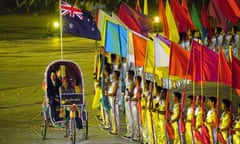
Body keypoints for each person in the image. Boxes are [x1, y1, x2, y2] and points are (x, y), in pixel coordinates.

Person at [107, 70, 121, 135]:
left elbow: (114, 93)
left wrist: (107, 94)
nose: (112, 75)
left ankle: (116, 130)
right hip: (112, 102)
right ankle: (114, 129)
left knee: (115, 116)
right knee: (113, 116)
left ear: (116, 76)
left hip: (114, 102)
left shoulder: (116, 83)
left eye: (113, 74)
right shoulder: (114, 82)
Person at [123, 70, 135, 139]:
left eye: (128, 74)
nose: (127, 76)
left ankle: (131, 133)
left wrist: (127, 91)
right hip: (126, 100)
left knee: (130, 117)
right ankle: (128, 132)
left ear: (131, 75)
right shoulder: (128, 82)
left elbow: (131, 94)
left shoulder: (132, 83)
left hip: (130, 102)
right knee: (127, 117)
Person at [131, 75, 142, 142]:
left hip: (137, 106)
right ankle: (136, 135)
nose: (135, 81)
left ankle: (139, 137)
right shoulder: (135, 88)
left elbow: (138, 98)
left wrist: (132, 99)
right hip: (133, 105)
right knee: (135, 121)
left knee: (138, 122)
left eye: (136, 80)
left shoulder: (139, 88)